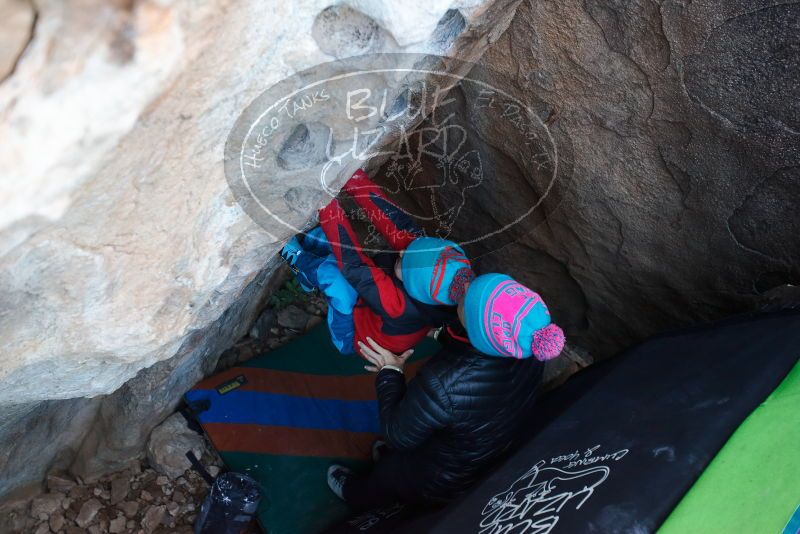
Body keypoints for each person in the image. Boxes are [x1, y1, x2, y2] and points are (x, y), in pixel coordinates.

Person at [326, 273, 565, 510]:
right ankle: (387, 460)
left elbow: (397, 435)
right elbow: (474, 343)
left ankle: (354, 493)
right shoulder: (528, 340)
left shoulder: (446, 383)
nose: (466, 285)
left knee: (389, 477)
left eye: (468, 298)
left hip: (440, 473)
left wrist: (390, 370)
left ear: (478, 332)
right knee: (400, 454)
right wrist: (438, 332)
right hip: (483, 446)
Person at [280, 170, 475, 356]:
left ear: (411, 286)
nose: (402, 251)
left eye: (404, 260)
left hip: (352, 333)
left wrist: (325, 204)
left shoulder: (398, 306)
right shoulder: (430, 262)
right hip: (373, 304)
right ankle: (311, 265)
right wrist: (352, 177)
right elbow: (391, 219)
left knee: (337, 280)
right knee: (325, 240)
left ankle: (298, 261)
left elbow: (353, 265)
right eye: (412, 248)